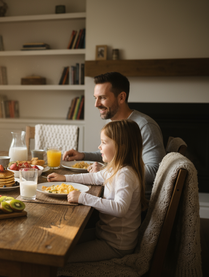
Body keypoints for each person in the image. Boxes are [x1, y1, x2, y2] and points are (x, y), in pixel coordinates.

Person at [48, 119, 147, 265]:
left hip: (115, 245)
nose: (99, 147)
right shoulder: (115, 169)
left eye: (104, 142)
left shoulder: (125, 174)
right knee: (58, 243)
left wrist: (83, 197)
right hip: (103, 234)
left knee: (60, 258)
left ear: (121, 146)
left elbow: (120, 209)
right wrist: (64, 178)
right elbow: (94, 177)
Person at [63, 72, 165, 197]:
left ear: (121, 97)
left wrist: (107, 171)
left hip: (134, 202)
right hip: (114, 192)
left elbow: (155, 172)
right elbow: (114, 156)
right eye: (96, 98)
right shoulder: (115, 123)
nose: (96, 104)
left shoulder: (144, 126)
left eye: (103, 98)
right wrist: (83, 155)